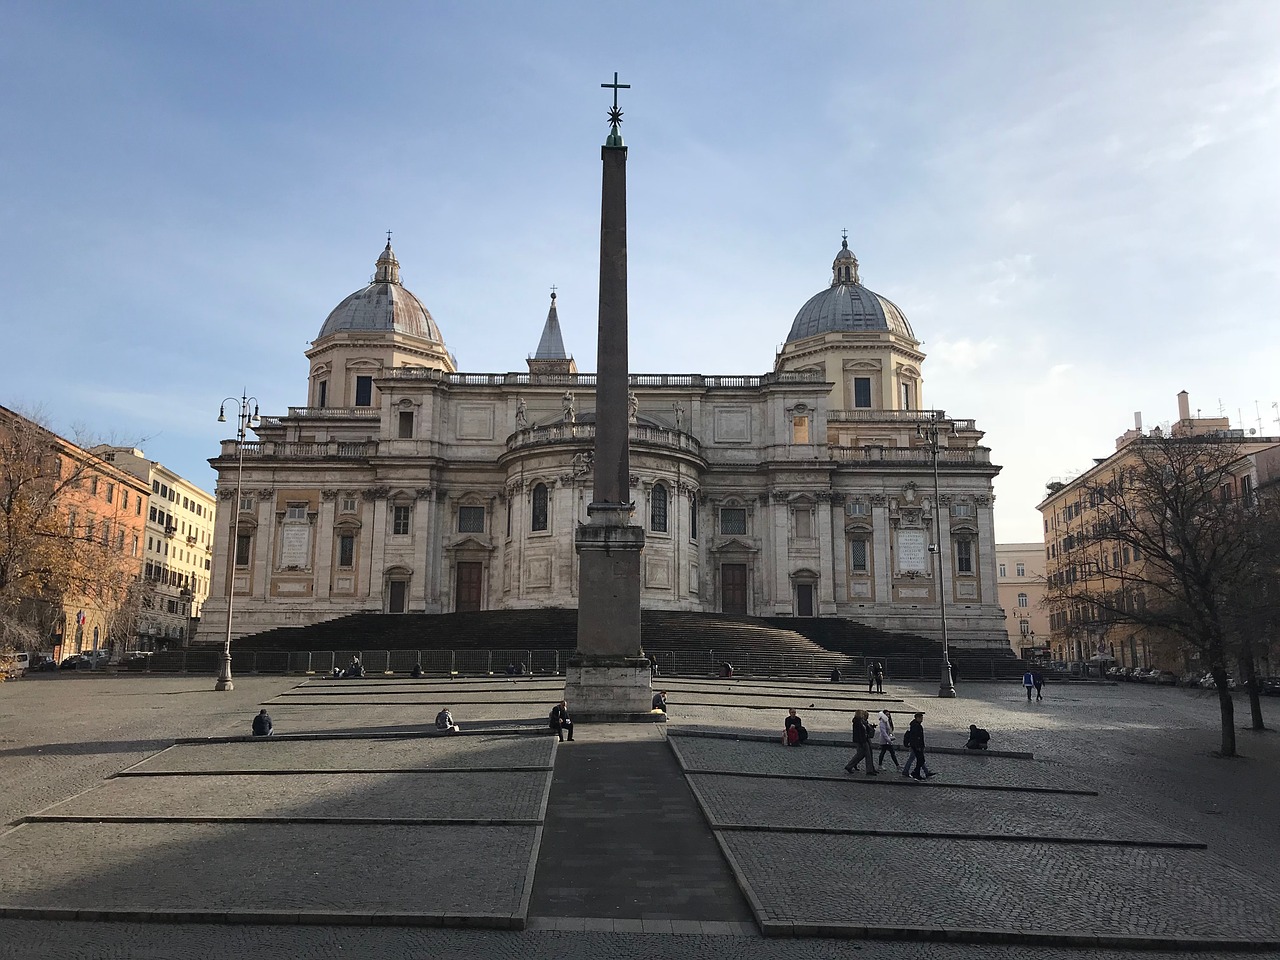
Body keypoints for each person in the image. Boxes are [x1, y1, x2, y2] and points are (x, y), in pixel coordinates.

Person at [844, 709, 877, 775]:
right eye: (862, 714)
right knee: (866, 755)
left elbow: (865, 728)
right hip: (862, 740)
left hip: (864, 739)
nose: (863, 715)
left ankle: (850, 766)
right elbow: (859, 733)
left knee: (862, 755)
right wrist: (862, 741)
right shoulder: (857, 722)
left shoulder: (861, 721)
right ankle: (869, 770)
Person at [902, 711, 934, 780]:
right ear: (917, 718)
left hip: (916, 746)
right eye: (921, 718)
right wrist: (918, 746)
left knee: (918, 759)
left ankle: (925, 772)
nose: (922, 719)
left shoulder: (915, 725)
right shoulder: (916, 726)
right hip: (916, 746)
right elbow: (916, 737)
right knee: (919, 759)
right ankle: (913, 772)